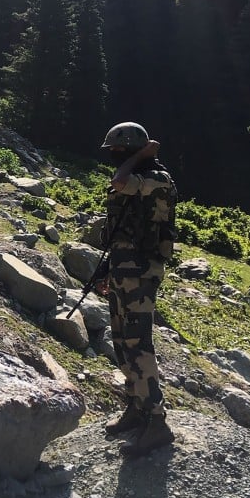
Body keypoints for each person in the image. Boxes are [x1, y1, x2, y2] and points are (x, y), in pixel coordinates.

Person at [94, 121, 178, 457]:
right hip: (122, 268)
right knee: (121, 343)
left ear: (133, 150)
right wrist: (105, 269)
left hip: (141, 273)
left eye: (119, 151)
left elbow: (121, 181)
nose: (114, 157)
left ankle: (156, 422)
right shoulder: (135, 179)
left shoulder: (157, 179)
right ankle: (136, 407)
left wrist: (142, 156)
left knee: (138, 343)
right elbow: (120, 231)